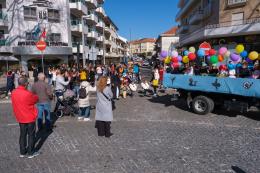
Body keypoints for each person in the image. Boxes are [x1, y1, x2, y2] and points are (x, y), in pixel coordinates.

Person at [11, 77, 39, 158]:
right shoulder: (27, 93)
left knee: (22, 134)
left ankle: (22, 152)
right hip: (29, 117)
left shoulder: (14, 92)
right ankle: (30, 152)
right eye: (27, 83)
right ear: (26, 84)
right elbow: (35, 99)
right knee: (31, 135)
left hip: (20, 116)